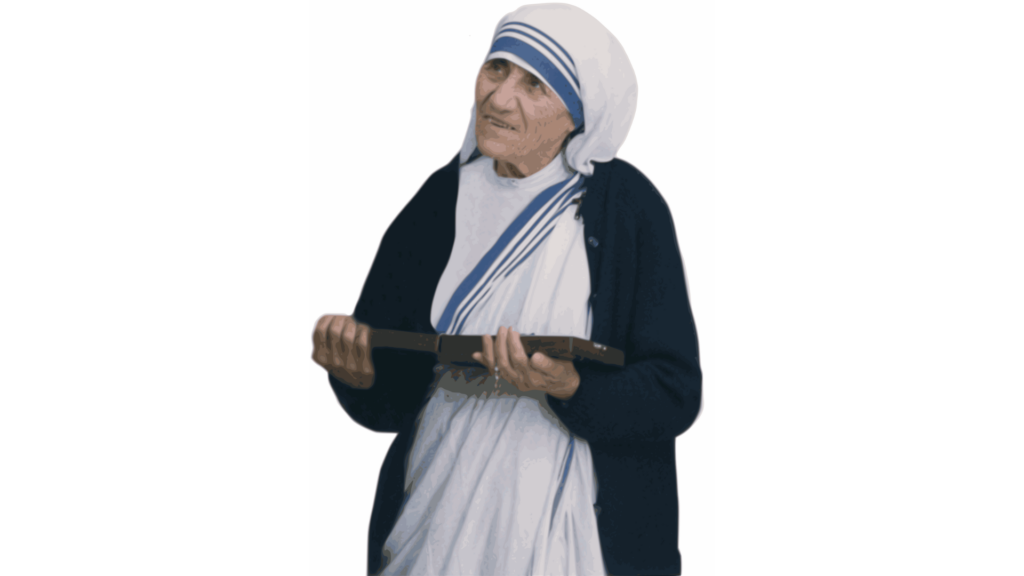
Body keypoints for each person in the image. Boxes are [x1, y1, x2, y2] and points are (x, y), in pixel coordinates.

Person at [312, 4, 701, 575]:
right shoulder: (440, 200)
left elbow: (674, 393)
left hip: (576, 535)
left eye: (534, 84)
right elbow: (393, 395)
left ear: (578, 115)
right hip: (439, 514)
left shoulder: (628, 210)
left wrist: (571, 387)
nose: (498, 98)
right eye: (496, 68)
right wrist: (357, 373)